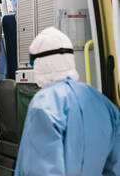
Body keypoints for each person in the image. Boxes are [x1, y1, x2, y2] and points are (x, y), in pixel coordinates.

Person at [14, 27, 120, 176]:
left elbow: (39, 170)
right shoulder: (103, 103)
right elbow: (115, 167)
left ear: (40, 62)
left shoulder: (44, 105)